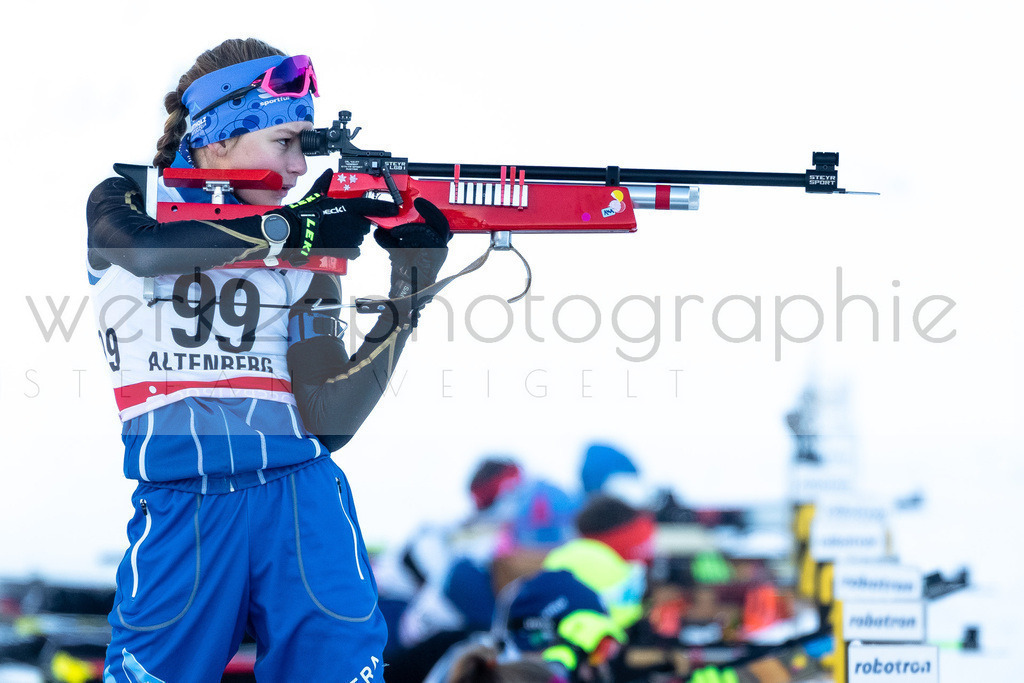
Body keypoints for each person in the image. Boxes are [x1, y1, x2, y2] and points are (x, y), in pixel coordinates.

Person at [87, 38, 451, 681]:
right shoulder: (129, 200)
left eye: (305, 146)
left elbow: (330, 416)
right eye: (285, 140)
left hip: (300, 497)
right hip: (185, 503)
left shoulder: (307, 254)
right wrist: (293, 232)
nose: (296, 168)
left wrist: (410, 285)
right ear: (218, 137)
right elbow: (141, 253)